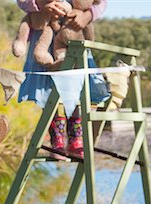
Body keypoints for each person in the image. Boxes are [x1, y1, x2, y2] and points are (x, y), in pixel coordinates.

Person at [16, 0, 108, 158]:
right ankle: (56, 140)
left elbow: (101, 3)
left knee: (78, 87)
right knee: (48, 90)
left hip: (74, 33)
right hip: (45, 33)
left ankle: (75, 140)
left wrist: (88, 15)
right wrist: (39, 4)